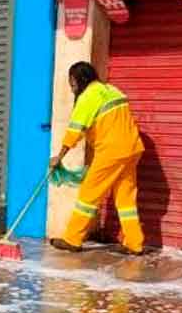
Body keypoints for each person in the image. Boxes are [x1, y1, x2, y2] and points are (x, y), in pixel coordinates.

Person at [50, 61, 145, 255]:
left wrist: (59, 157)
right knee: (125, 197)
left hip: (112, 152)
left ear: (78, 80)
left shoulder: (88, 97)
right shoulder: (112, 90)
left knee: (88, 194)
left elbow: (75, 130)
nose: (72, 88)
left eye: (72, 83)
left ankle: (73, 239)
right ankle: (134, 243)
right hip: (133, 149)